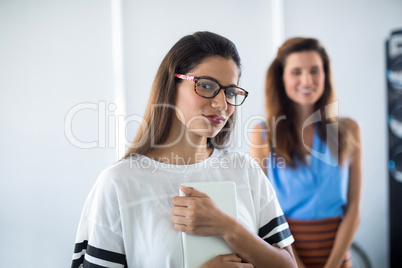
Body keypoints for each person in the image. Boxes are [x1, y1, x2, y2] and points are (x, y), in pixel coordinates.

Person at [71, 31, 296, 268]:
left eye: (230, 92)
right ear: (171, 85)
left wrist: (228, 227)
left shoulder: (246, 171)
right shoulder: (119, 183)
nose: (222, 104)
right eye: (206, 85)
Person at [250, 37, 361, 268]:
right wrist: (296, 264)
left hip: (338, 257)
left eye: (314, 70)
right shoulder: (263, 133)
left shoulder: (348, 129)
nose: (307, 80)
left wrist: (332, 265)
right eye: (296, 72)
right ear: (281, 78)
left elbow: (353, 210)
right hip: (286, 256)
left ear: (325, 74)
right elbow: (262, 211)